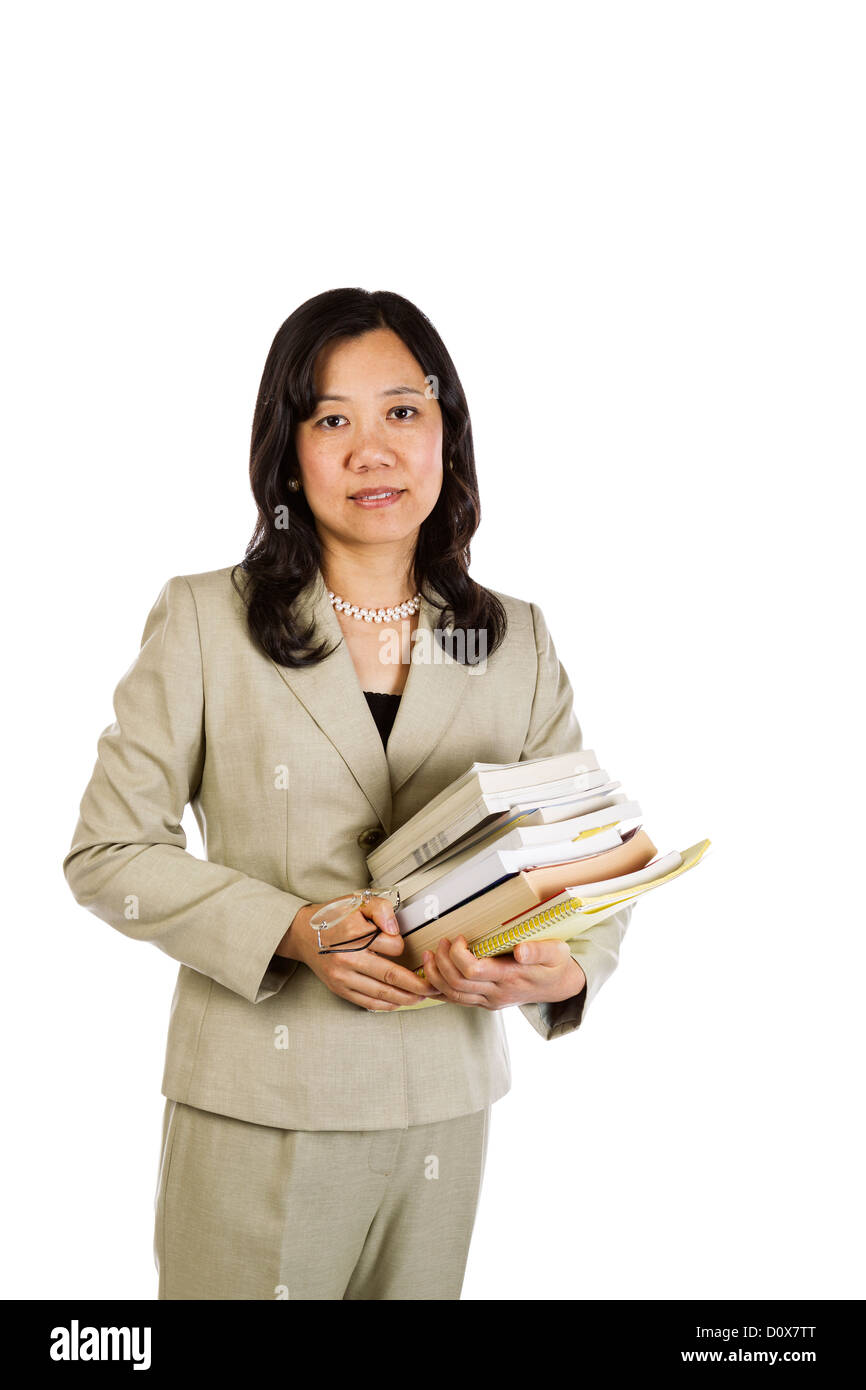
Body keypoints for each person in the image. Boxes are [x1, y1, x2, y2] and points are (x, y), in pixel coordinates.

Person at [62, 287, 633, 1300]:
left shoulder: (512, 636)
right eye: (332, 420)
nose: (371, 450)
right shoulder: (205, 622)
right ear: (289, 454)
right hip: (259, 1105)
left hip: (443, 1104)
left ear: (444, 434)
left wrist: (560, 971)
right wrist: (290, 927)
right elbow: (109, 855)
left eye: (401, 412)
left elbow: (583, 856)